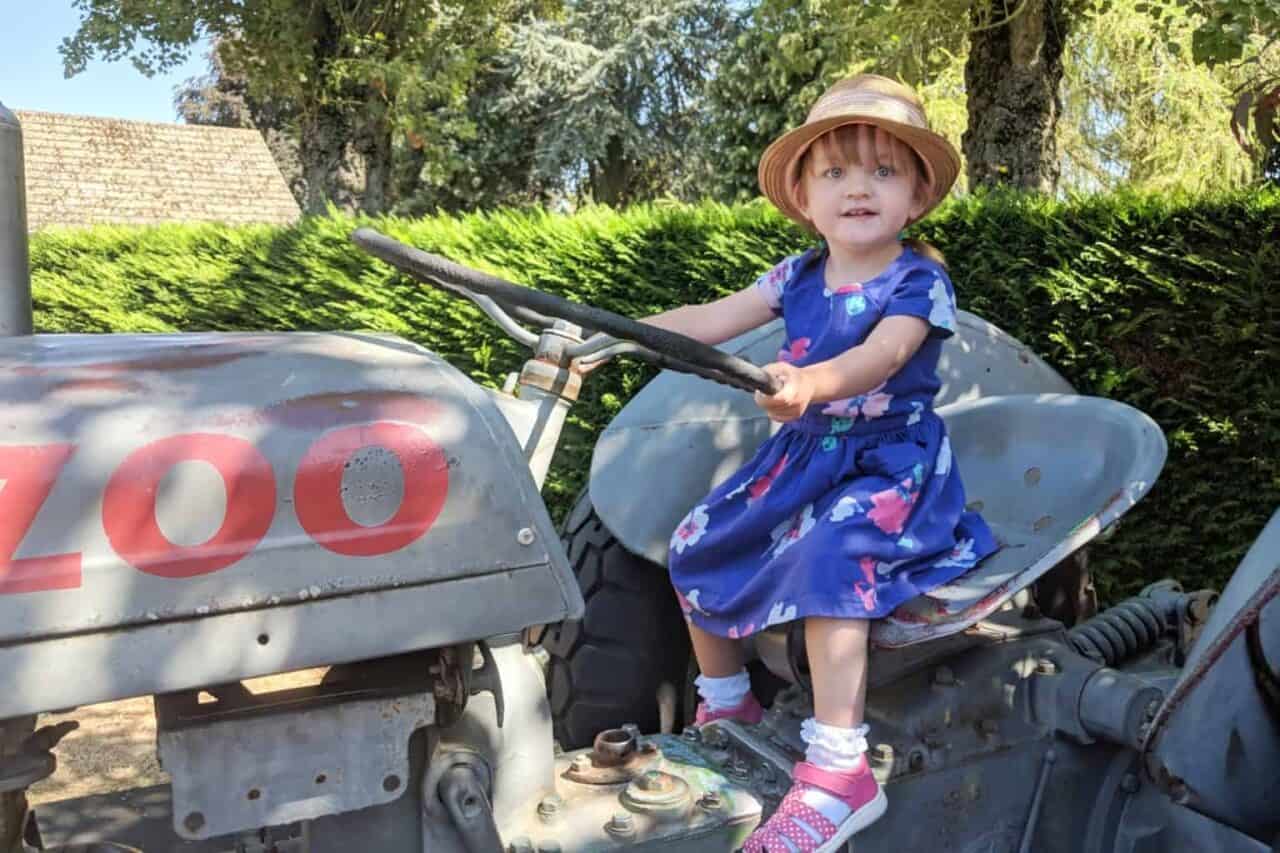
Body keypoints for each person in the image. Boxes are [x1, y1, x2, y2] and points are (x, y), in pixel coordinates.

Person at [645, 74, 998, 851]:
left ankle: (841, 770)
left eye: (881, 170)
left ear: (917, 196)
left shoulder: (919, 282)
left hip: (889, 467)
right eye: (834, 172)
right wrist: (618, 334)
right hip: (802, 456)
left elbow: (881, 355)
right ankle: (727, 704)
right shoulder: (795, 276)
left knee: (832, 554)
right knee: (695, 540)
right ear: (805, 198)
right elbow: (709, 320)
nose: (857, 188)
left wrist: (812, 382)